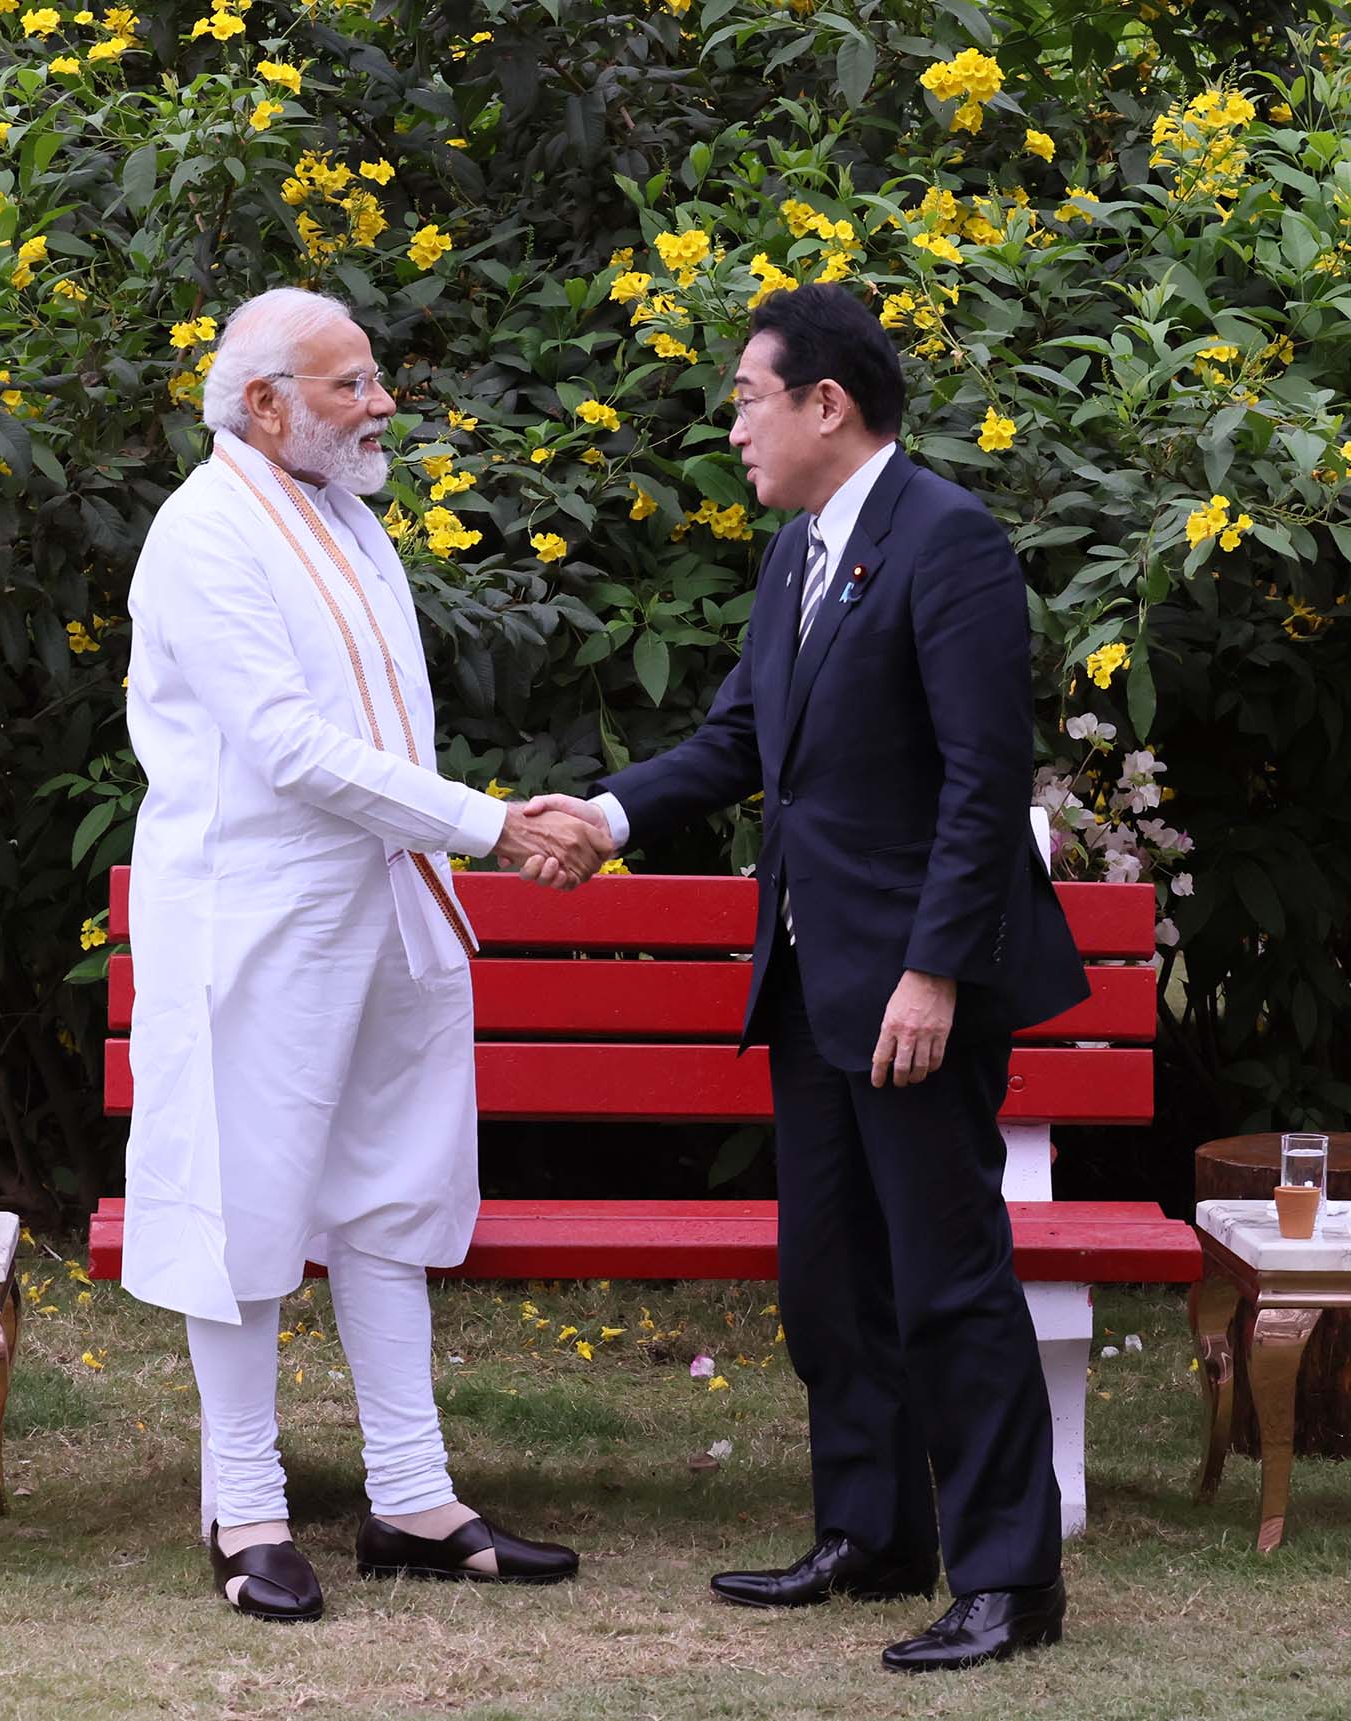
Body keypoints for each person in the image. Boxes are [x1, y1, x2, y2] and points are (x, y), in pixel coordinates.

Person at [522, 284, 1090, 1673]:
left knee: (949, 1279)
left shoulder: (948, 540)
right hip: (810, 979)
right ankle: (873, 1533)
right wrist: (608, 816)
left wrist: (934, 972)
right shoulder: (797, 555)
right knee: (829, 1279)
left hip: (912, 991)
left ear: (825, 404)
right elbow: (740, 741)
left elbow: (984, 782)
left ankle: (1010, 1581)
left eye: (745, 400)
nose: (732, 430)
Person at [119, 287, 607, 1621]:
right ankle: (247, 1512)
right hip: (257, 922)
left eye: (375, 377)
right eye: (352, 385)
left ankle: (412, 1497)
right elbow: (287, 748)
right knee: (245, 1208)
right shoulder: (203, 531)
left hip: (389, 907)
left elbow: (379, 734)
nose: (381, 403)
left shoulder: (348, 514)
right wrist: (491, 827)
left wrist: (464, 835)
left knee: (392, 1195)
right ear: (264, 404)